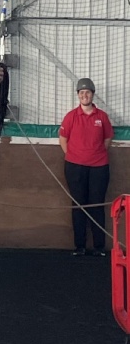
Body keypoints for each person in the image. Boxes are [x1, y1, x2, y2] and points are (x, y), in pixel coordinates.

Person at [59, 78, 113, 257]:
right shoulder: (71, 116)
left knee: (97, 205)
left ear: (92, 94)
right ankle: (80, 246)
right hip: (75, 168)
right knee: (78, 205)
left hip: (99, 168)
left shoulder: (102, 117)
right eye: (81, 92)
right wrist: (73, 157)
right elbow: (63, 139)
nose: (84, 95)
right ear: (78, 95)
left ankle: (99, 247)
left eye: (87, 92)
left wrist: (95, 155)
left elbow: (107, 139)